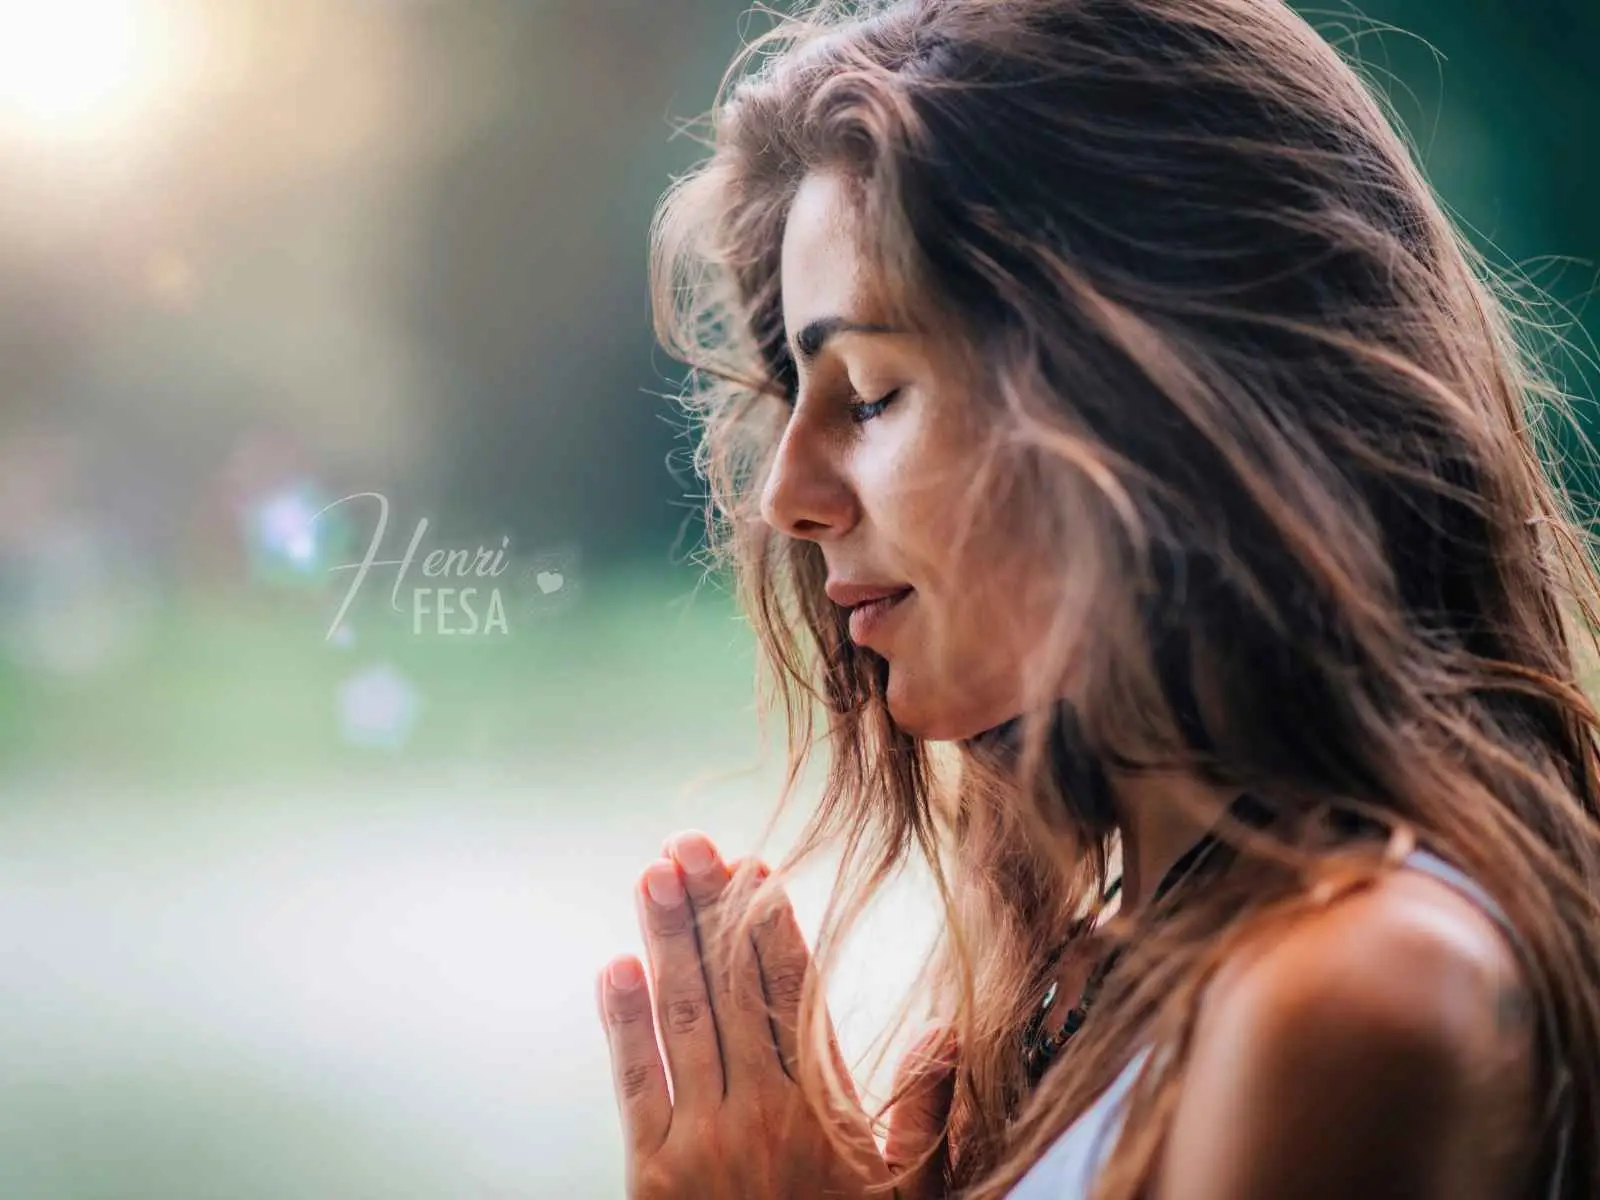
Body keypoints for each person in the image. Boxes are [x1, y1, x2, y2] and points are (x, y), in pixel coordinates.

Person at [593, 1, 1600, 1196]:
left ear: (1144, 392)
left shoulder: (1354, 995)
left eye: (866, 393)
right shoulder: (1092, 981)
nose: (784, 498)